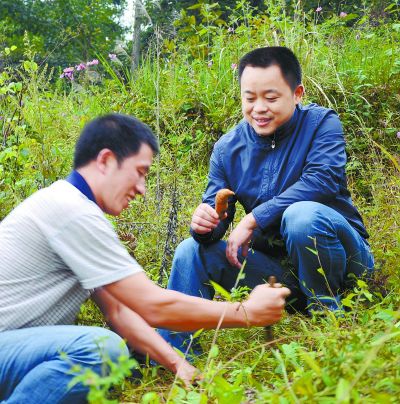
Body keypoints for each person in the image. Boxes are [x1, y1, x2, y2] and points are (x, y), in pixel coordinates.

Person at [0, 114, 290, 402]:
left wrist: (178, 364)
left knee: (113, 356)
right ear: (106, 161)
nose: (141, 188)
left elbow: (119, 311)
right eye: (139, 172)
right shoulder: (71, 211)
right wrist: (247, 312)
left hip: (14, 350)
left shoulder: (72, 208)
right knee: (102, 350)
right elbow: (153, 305)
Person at [159, 46, 374, 355]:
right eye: (250, 98)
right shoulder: (227, 148)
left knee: (302, 216)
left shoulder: (321, 124)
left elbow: (323, 180)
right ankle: (173, 352)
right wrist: (205, 225)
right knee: (191, 249)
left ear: (297, 93)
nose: (259, 108)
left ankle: (328, 320)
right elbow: (216, 216)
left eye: (271, 98)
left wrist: (254, 218)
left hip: (345, 265)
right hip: (281, 276)